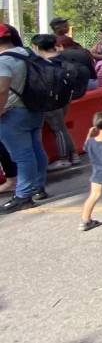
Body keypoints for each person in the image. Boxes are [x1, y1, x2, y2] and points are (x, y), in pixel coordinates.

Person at [0, 25, 50, 212]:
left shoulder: (3, 61)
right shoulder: (26, 52)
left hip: (12, 112)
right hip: (34, 108)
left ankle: (23, 195)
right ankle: (38, 187)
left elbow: (2, 89)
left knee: (22, 155)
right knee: (36, 149)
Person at [31, 35, 81, 171]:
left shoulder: (43, 64)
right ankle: (74, 155)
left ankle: (64, 158)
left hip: (50, 101)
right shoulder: (64, 59)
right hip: (65, 98)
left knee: (58, 129)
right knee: (62, 127)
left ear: (36, 46)